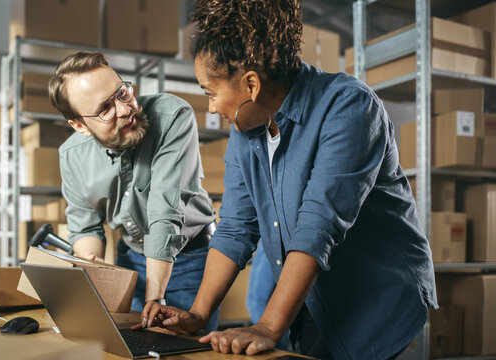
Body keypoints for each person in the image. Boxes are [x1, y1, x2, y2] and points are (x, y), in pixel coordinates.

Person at [137, 1, 438, 358]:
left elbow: (318, 226)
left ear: (251, 84)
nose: (213, 108)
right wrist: (198, 315)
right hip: (311, 294)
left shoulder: (349, 107)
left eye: (211, 92)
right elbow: (235, 227)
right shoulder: (247, 128)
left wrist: (267, 326)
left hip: (376, 298)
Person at [48, 51, 219, 332]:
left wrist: (155, 297)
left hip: (191, 256)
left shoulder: (172, 116)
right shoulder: (71, 156)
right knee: (136, 346)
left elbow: (166, 211)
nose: (125, 109)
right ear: (79, 126)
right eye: (105, 109)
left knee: (185, 350)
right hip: (130, 258)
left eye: (123, 93)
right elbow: (84, 226)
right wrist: (94, 267)